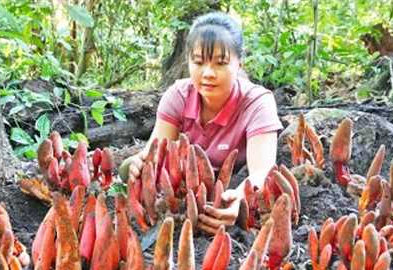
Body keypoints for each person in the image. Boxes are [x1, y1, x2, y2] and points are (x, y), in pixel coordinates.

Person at [120, 11, 283, 234]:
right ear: (188, 62)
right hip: (185, 188)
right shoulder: (178, 95)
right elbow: (156, 153)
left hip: (230, 185)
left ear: (239, 64)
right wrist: (141, 165)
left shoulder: (257, 102)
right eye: (198, 62)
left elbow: (261, 172)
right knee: (127, 169)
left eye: (220, 63)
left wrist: (241, 199)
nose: (208, 73)